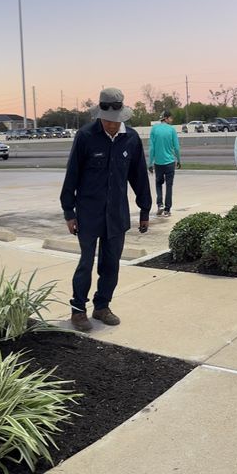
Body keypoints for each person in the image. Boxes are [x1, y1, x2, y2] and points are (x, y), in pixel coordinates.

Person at [59, 87, 152, 333]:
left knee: (111, 264)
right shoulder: (86, 136)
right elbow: (72, 176)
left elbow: (139, 177)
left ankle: (102, 306)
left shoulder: (131, 139)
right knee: (86, 263)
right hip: (88, 213)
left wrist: (144, 211)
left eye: (115, 121)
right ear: (100, 114)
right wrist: (69, 212)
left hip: (117, 214)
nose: (111, 125)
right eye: (107, 120)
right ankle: (78, 310)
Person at [149, 111, 180, 217]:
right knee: (169, 185)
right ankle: (167, 209)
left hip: (158, 163)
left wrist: (150, 163)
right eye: (170, 118)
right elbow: (176, 147)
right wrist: (179, 160)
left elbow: (151, 148)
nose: (171, 120)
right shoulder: (172, 130)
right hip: (170, 162)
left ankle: (159, 204)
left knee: (158, 183)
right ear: (166, 118)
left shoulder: (154, 129)